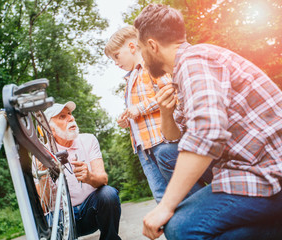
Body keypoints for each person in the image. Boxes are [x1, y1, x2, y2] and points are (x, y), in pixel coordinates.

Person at [134, 3, 282, 239]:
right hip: (249, 163)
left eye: (141, 49)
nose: (142, 57)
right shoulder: (186, 72)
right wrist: (165, 113)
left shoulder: (194, 61)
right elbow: (176, 140)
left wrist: (166, 206)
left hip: (269, 170)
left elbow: (207, 132)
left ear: (152, 45)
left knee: (181, 226)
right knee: (167, 154)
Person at [104, 25, 210, 203]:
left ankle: (204, 219)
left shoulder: (150, 67)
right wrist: (128, 120)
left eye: (116, 55)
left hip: (163, 142)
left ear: (131, 47)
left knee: (186, 189)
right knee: (161, 195)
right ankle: (176, 227)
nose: (115, 62)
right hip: (144, 149)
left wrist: (139, 108)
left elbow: (171, 91)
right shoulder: (129, 80)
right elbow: (138, 113)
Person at [35, 101, 121, 240]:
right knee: (43, 221)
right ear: (50, 128)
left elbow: (103, 179)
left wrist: (89, 177)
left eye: (70, 114)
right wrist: (43, 173)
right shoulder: (41, 154)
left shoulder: (88, 140)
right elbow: (44, 207)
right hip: (62, 218)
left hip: (90, 211)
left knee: (108, 194)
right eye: (62, 117)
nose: (71, 118)